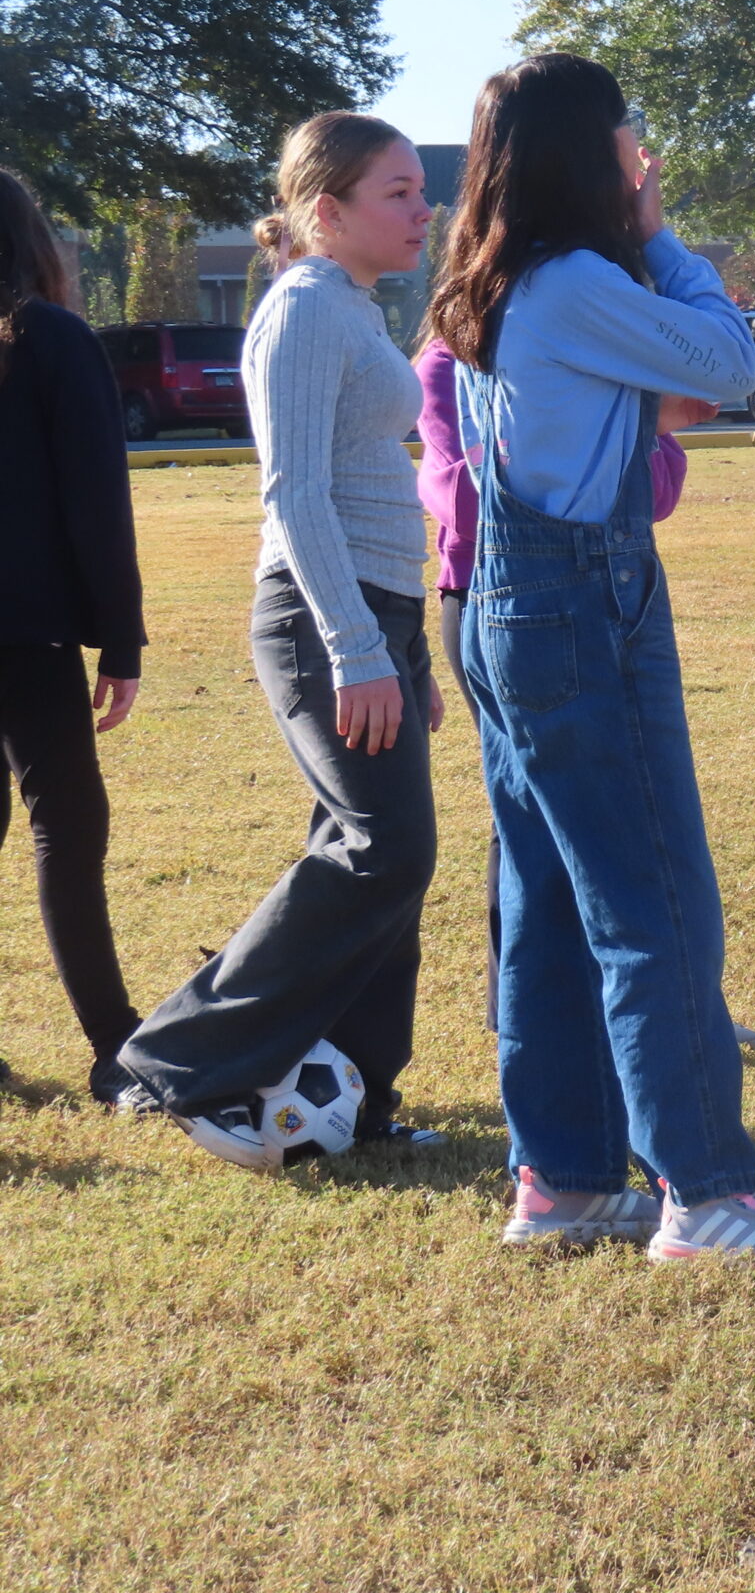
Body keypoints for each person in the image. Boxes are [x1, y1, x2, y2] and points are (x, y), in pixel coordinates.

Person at [432, 52, 755, 1267]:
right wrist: (659, 238)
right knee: (654, 899)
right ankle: (704, 1191)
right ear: (588, 152)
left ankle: (561, 1182)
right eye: (627, 132)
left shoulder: (494, 281)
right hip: (581, 613)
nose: (640, 151)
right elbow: (725, 362)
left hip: (509, 611)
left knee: (550, 903)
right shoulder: (574, 280)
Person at [119, 116, 447, 1163]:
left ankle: (359, 1097)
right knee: (383, 849)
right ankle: (172, 1060)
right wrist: (357, 649)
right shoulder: (303, 310)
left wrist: (406, 652)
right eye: (398, 192)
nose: (424, 209)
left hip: (375, 613)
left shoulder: (350, 306)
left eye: (420, 189)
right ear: (326, 211)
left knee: (378, 854)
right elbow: (295, 495)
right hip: (321, 616)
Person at [412, 338, 755, 1046]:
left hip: (605, 593)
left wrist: (607, 448)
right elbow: (457, 493)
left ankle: (653, 1008)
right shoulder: (451, 362)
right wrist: (594, 457)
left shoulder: (588, 347)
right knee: (531, 815)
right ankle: (532, 1014)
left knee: (616, 809)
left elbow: (659, 489)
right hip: (493, 602)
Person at [0, 168, 147, 1103]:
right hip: (24, 630)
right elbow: (98, 501)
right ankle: (113, 1046)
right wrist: (120, 642)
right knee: (67, 826)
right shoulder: (49, 338)